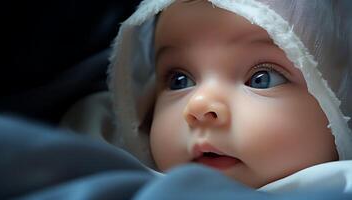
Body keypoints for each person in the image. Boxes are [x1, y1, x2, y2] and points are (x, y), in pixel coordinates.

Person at [62, 0, 352, 193]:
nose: (198, 105)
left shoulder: (340, 183)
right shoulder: (107, 161)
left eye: (261, 79)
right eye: (179, 80)